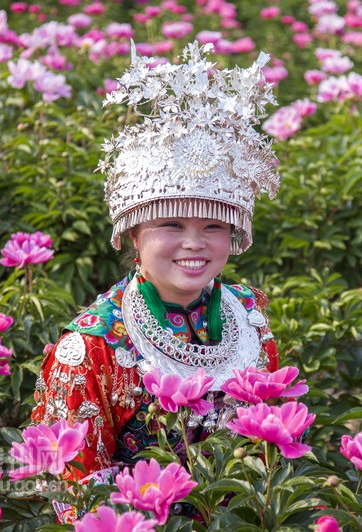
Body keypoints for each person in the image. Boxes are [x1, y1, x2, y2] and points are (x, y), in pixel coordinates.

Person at [30, 42, 281, 523]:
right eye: (171, 226)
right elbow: (70, 495)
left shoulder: (248, 312)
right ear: (132, 232)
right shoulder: (91, 348)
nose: (195, 244)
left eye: (213, 226)